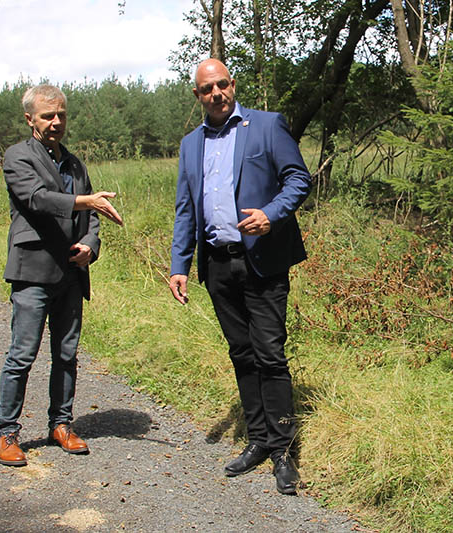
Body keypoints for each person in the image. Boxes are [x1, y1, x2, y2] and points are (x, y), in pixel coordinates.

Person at [168, 59, 311, 495]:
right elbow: (186, 208)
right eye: (207, 88)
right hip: (217, 264)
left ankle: (284, 453)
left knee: (269, 354)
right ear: (197, 96)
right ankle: (259, 440)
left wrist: (271, 214)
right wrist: (180, 265)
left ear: (233, 85)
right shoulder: (191, 144)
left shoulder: (266, 126)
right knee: (241, 353)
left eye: (222, 84)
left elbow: (298, 179)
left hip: (262, 261)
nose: (216, 93)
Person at [0, 84, 123, 466]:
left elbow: (91, 221)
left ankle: (61, 424)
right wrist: (86, 200)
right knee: (23, 355)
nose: (55, 122)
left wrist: (90, 247)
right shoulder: (17, 157)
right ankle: (7, 433)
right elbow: (37, 199)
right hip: (33, 272)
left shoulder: (74, 164)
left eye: (61, 115)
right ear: (30, 119)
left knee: (66, 355)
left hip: (70, 274)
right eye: (48, 115)